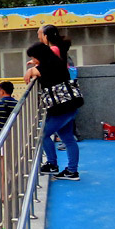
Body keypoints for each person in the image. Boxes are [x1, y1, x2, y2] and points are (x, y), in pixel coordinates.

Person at [25, 42, 82, 180]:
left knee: (42, 133)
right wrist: (34, 63)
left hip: (62, 109)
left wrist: (30, 69)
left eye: (34, 57)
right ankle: (72, 171)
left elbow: (34, 72)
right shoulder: (55, 62)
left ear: (40, 55)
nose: (34, 61)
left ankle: (52, 164)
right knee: (68, 139)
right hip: (68, 106)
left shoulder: (48, 66)